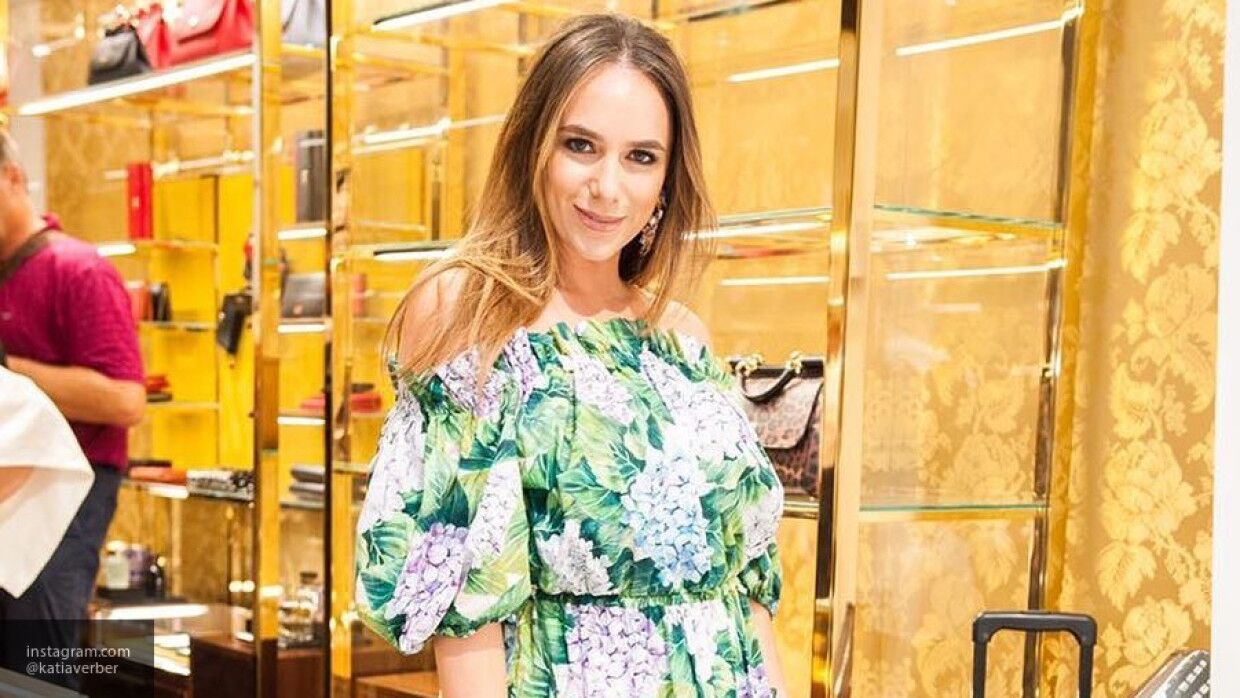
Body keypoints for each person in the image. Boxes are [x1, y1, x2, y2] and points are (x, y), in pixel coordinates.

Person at [355, 14, 787, 697]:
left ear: (667, 178)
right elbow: (465, 609)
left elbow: (747, 589)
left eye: (641, 157)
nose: (608, 187)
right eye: (581, 145)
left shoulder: (683, 338)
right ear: (534, 147)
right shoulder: (466, 312)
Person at [0, 129, 145, 684]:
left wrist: (11, 370)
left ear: (13, 177)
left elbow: (127, 400)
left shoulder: (80, 270)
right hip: (8, 484)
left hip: (65, 494)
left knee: (40, 661)